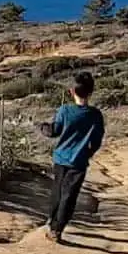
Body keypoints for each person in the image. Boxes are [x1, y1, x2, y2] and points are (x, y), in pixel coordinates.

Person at [40, 72, 105, 243]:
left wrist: (43, 127)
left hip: (61, 158)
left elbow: (54, 131)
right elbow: (97, 140)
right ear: (91, 92)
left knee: (57, 191)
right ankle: (57, 228)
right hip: (80, 161)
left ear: (71, 91)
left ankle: (52, 220)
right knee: (70, 195)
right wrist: (88, 153)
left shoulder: (65, 110)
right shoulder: (96, 115)